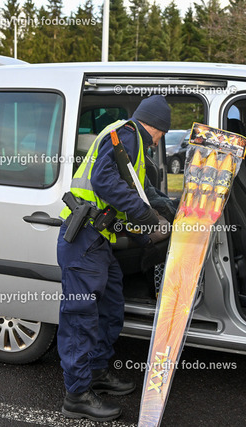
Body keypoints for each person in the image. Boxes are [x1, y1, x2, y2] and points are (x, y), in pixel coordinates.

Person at [57, 95, 171, 422]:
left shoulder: (131, 143)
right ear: (156, 127)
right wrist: (145, 215)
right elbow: (103, 180)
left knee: (110, 308)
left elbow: (137, 191)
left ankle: (95, 372)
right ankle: (77, 396)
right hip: (83, 239)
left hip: (99, 240)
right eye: (161, 133)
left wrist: (162, 212)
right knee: (80, 318)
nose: (159, 141)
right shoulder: (129, 135)